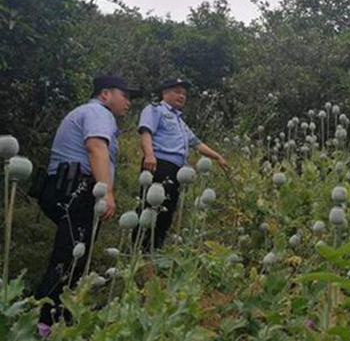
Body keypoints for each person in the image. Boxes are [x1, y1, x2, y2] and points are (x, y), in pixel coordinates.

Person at [34, 76, 140, 337]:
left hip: (64, 187)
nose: (128, 102)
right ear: (105, 94)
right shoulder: (98, 112)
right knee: (69, 256)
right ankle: (44, 323)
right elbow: (95, 148)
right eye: (125, 95)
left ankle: (59, 312)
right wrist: (107, 193)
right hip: (76, 189)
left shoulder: (86, 112)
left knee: (72, 254)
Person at [136, 78, 226, 250]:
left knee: (167, 210)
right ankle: (137, 249)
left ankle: (154, 251)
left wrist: (218, 156)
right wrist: (149, 155)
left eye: (184, 94)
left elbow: (197, 144)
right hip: (158, 165)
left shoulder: (180, 122)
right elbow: (146, 131)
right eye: (177, 92)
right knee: (150, 208)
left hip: (177, 170)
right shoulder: (155, 110)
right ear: (165, 93)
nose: (182, 96)